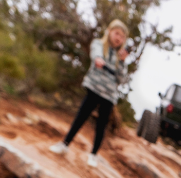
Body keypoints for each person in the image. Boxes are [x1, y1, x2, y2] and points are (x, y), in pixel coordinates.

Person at [49, 19, 129, 168]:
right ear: (110, 32)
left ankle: (93, 154)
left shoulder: (120, 58)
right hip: (94, 88)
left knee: (101, 125)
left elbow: (122, 78)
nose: (119, 38)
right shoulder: (98, 44)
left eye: (122, 36)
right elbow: (96, 55)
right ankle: (65, 144)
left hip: (109, 95)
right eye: (117, 33)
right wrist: (98, 59)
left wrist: (123, 62)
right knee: (81, 116)